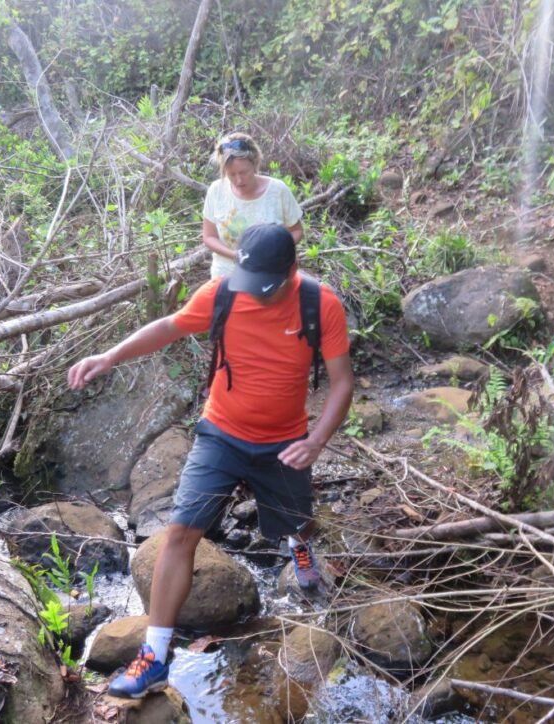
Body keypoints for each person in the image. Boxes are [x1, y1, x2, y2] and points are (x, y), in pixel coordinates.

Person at [67, 223, 353, 699]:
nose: (256, 296)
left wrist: (317, 440)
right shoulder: (222, 292)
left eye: (266, 287)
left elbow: (342, 382)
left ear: (291, 270)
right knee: (181, 532)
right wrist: (110, 355)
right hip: (221, 432)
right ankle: (156, 656)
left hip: (285, 441)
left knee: (295, 523)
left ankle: (298, 546)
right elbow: (170, 325)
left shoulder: (319, 304)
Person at [202, 133, 304, 279]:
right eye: (231, 174)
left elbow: (297, 230)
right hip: (225, 276)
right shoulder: (216, 190)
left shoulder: (278, 190)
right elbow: (209, 236)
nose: (238, 180)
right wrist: (236, 255)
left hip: (271, 276)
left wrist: (275, 250)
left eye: (244, 172)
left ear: (255, 163)